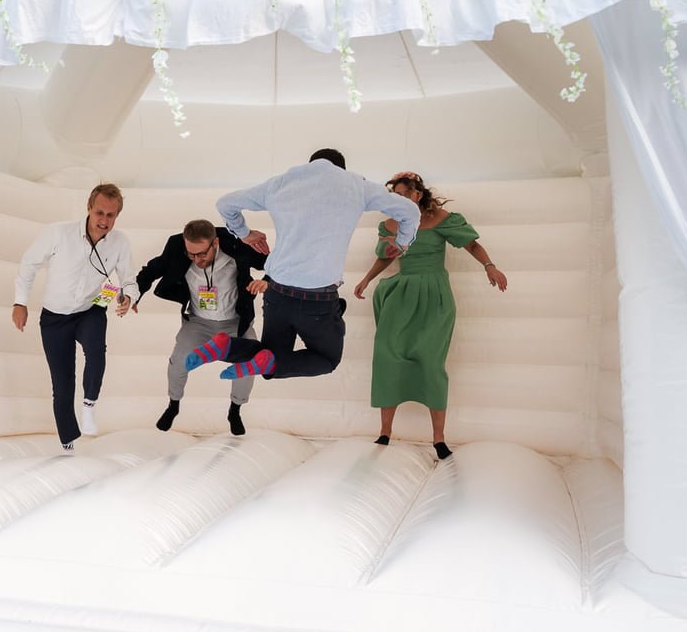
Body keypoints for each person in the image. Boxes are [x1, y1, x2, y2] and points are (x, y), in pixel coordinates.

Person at [205, 148, 421, 383]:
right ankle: (234, 350)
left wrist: (244, 233)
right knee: (326, 360)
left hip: (276, 292)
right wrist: (401, 243)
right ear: (341, 168)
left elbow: (225, 203)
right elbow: (409, 210)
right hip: (318, 298)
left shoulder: (281, 183)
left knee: (272, 358)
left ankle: (225, 347)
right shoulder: (355, 185)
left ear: (310, 164)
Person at [354, 171, 508, 460]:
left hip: (435, 296)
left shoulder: (441, 219)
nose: (397, 200)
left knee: (431, 363)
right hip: (402, 294)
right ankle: (385, 432)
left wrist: (489, 265)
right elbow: (385, 257)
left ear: (417, 194)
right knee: (388, 357)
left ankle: (439, 439)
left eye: (402, 194)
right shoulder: (390, 224)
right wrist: (366, 279)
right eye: (393, 196)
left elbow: (472, 244)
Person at [12, 184, 135, 450]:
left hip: (90, 310)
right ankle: (68, 441)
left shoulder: (120, 242)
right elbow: (29, 263)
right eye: (100, 212)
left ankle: (89, 404)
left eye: (111, 215)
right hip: (55, 318)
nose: (104, 220)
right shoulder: (59, 233)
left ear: (117, 216)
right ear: (89, 208)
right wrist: (20, 302)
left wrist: (127, 297)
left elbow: (128, 279)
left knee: (96, 350)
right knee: (62, 384)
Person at [134, 218, 271, 436]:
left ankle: (235, 409)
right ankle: (174, 404)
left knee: (251, 363)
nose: (196, 259)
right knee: (179, 360)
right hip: (198, 322)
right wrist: (135, 295)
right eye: (191, 254)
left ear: (215, 243)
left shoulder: (237, 246)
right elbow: (151, 270)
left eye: (201, 254)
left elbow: (272, 263)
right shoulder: (177, 247)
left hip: (235, 322)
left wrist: (267, 280)